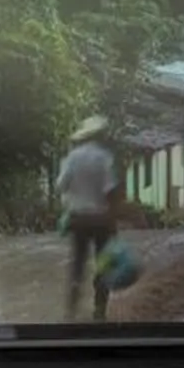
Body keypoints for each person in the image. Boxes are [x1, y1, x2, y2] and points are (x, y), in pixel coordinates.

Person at [54, 115, 122, 321]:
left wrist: (75, 196)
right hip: (101, 219)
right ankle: (99, 311)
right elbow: (110, 191)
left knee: (78, 263)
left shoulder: (72, 157)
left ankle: (71, 311)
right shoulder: (105, 158)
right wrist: (114, 217)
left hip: (79, 219)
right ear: (101, 136)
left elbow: (60, 186)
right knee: (103, 264)